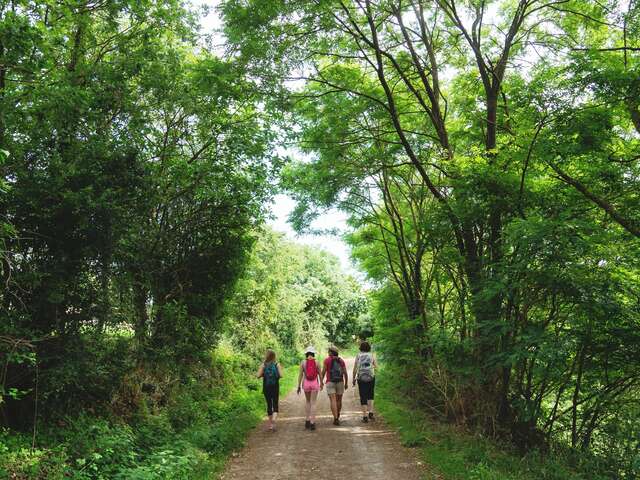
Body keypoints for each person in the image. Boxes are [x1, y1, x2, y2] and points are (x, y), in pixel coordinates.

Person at [297, 345, 323, 430]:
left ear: (306, 354)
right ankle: (312, 422)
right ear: (313, 353)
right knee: (313, 403)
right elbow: (320, 374)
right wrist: (321, 383)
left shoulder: (303, 362)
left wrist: (298, 386)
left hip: (306, 384)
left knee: (308, 401)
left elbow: (300, 375)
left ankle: (307, 420)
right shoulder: (317, 362)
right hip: (314, 383)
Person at [257, 349, 283, 431]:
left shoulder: (263, 365)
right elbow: (281, 375)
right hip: (275, 386)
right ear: (274, 356)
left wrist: (263, 374)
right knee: (275, 403)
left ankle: (271, 424)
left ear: (267, 356)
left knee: (269, 404)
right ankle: (274, 419)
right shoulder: (277, 364)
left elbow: (258, 376)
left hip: (266, 387)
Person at [321, 345, 348, 425]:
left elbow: (323, 372)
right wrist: (346, 383)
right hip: (340, 382)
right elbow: (345, 373)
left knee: (333, 400)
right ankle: (338, 414)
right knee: (339, 400)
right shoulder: (341, 361)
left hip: (330, 382)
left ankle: (335, 418)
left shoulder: (327, 360)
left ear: (330, 352)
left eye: (328, 351)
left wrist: (321, 382)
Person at [352, 341, 377, 423]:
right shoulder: (372, 355)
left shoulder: (358, 355)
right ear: (369, 348)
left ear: (361, 348)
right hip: (371, 377)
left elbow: (355, 368)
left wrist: (353, 378)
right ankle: (371, 412)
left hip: (361, 378)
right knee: (371, 394)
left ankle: (365, 416)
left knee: (363, 396)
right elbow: (376, 366)